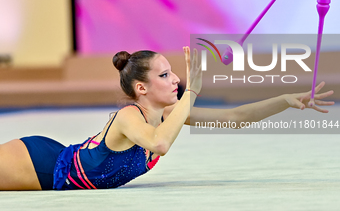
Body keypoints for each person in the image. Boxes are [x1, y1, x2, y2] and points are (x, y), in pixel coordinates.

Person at [0, 47, 334, 191]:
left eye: (173, 73)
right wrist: (193, 92)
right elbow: (159, 144)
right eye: (165, 75)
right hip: (40, 163)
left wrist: (286, 100)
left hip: (52, 168)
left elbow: (234, 117)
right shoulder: (129, 117)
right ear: (142, 87)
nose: (176, 79)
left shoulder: (170, 113)